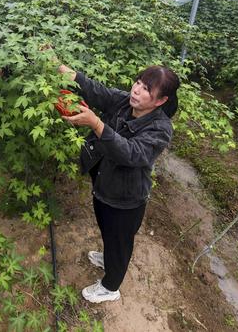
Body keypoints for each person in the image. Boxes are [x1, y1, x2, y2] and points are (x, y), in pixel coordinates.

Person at [57, 63, 180, 303]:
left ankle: (110, 287)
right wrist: (64, 70)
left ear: (160, 100)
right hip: (105, 183)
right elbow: (97, 91)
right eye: (138, 83)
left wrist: (96, 124)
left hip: (127, 198)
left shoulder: (160, 129)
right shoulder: (125, 102)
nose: (136, 90)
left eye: (146, 89)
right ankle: (108, 257)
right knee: (106, 228)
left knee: (120, 241)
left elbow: (132, 153)